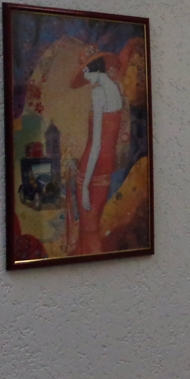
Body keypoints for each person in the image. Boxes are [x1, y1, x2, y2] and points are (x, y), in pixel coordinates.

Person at [70, 46, 123, 254]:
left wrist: (84, 187)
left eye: (85, 69)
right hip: (105, 168)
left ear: (95, 67)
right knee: (93, 228)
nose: (84, 75)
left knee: (88, 229)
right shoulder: (115, 90)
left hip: (91, 168)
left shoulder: (99, 93)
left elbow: (97, 143)